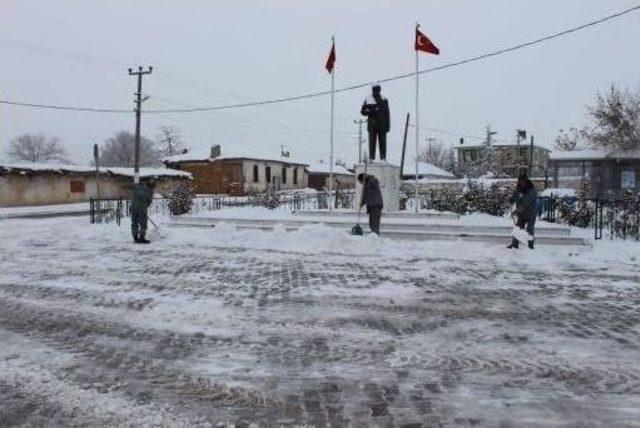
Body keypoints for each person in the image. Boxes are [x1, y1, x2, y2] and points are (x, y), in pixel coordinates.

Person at [508, 170, 537, 249]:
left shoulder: (531, 189)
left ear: (526, 181)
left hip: (531, 213)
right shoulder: (519, 187)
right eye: (520, 181)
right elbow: (516, 195)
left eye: (522, 181)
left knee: (530, 229)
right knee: (518, 228)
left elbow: (527, 202)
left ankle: (530, 245)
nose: (521, 183)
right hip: (522, 213)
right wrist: (512, 199)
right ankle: (514, 244)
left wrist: (518, 210)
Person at [360, 84, 390, 161]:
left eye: (377, 90)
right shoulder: (368, 99)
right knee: (372, 142)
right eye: (374, 90)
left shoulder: (384, 99)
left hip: (382, 125)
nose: (375, 91)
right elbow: (362, 111)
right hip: (372, 125)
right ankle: (371, 158)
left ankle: (383, 158)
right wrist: (371, 112)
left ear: (379, 90)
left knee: (383, 143)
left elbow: (387, 113)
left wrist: (387, 125)